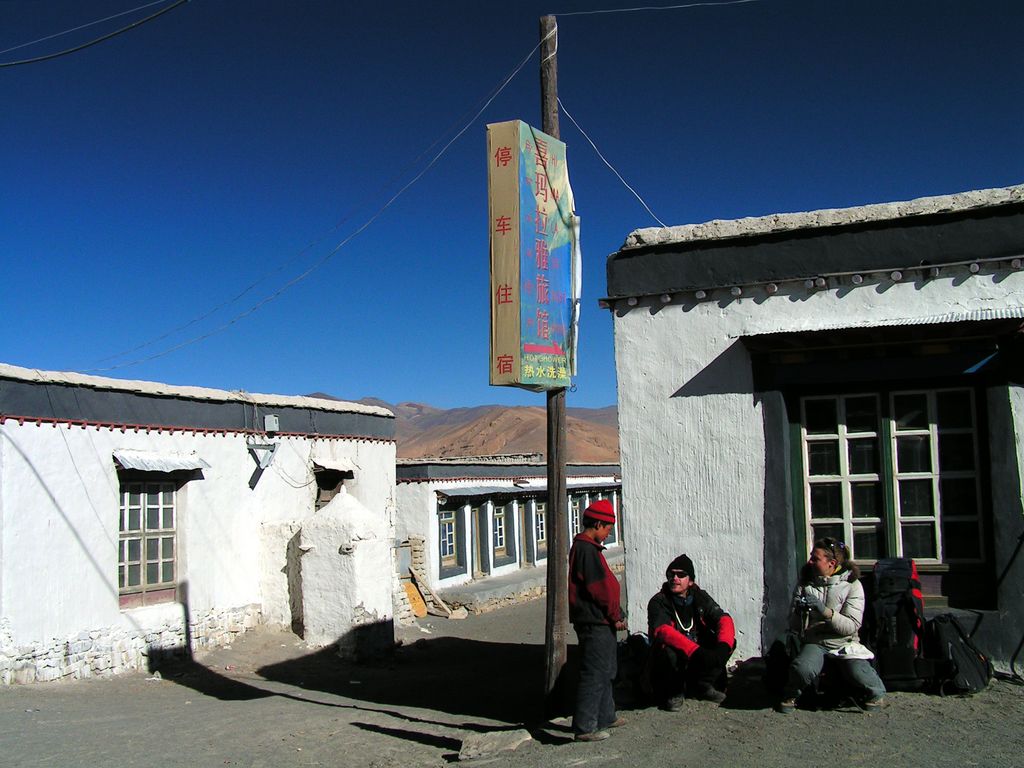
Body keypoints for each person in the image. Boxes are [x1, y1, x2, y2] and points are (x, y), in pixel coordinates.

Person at [777, 537, 886, 714]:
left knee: (858, 671)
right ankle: (791, 694)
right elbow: (794, 626)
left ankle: (876, 693)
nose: (810, 561)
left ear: (831, 563)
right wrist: (799, 612)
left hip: (844, 642)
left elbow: (851, 625)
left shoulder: (852, 585)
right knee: (802, 668)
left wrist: (825, 612)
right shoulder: (806, 583)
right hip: (815, 641)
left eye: (815, 558)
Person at [568, 499, 627, 742]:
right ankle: (585, 726)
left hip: (599, 619)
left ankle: (606, 715)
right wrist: (615, 615)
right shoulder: (586, 550)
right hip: (595, 621)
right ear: (599, 523)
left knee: (606, 669)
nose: (608, 533)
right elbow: (601, 589)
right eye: (608, 529)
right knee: (595, 671)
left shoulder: (587, 549)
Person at [646, 554, 736, 710]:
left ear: (691, 581)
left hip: (695, 650)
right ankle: (674, 692)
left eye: (681, 575)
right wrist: (695, 651)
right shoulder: (659, 601)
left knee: (727, 642)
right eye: (671, 574)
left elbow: (723, 619)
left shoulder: (699, 596)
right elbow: (663, 631)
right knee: (668, 651)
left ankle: (703, 685)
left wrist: (722, 647)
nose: (675, 578)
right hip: (673, 655)